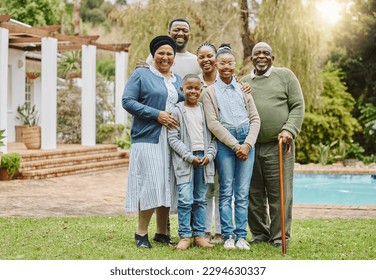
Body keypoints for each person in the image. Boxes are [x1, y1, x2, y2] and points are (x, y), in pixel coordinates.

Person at [122, 35, 185, 248]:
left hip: (172, 140)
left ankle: (162, 232)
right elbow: (127, 101)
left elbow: (192, 100)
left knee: (167, 183)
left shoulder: (178, 80)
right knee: (150, 183)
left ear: (174, 58)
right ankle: (141, 233)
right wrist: (156, 114)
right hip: (148, 138)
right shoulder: (141, 74)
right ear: (153, 55)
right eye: (161, 53)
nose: (165, 57)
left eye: (169, 54)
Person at [240, 42, 305, 247]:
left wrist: (289, 130)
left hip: (278, 144)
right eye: (257, 53)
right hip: (250, 146)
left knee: (279, 193)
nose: (261, 56)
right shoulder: (243, 82)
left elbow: (297, 105)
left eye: (266, 53)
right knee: (253, 194)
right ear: (251, 59)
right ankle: (260, 234)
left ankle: (279, 237)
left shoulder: (285, 76)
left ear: (272, 58)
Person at [202, 44, 260, 250]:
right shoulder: (209, 92)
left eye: (230, 63)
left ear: (235, 65)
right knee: (226, 190)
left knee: (242, 192)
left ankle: (241, 236)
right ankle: (228, 235)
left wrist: (248, 144)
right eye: (222, 63)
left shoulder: (243, 89)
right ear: (216, 65)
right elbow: (213, 123)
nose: (226, 66)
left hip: (247, 142)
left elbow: (255, 118)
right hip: (226, 144)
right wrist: (236, 146)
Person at [168, 74, 217, 250]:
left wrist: (209, 156)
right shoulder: (176, 111)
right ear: (182, 89)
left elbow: (213, 138)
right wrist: (189, 156)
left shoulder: (205, 110)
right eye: (189, 88)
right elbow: (173, 139)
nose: (193, 91)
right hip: (186, 161)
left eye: (196, 88)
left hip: (204, 162)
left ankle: (199, 235)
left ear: (201, 90)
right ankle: (184, 236)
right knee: (185, 199)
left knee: (201, 199)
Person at [196, 43, 222, 243]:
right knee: (206, 187)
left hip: (224, 140)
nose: (206, 60)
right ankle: (204, 230)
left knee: (222, 188)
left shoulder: (228, 80)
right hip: (203, 140)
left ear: (217, 57)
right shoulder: (195, 83)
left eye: (210, 56)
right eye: (201, 57)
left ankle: (221, 232)